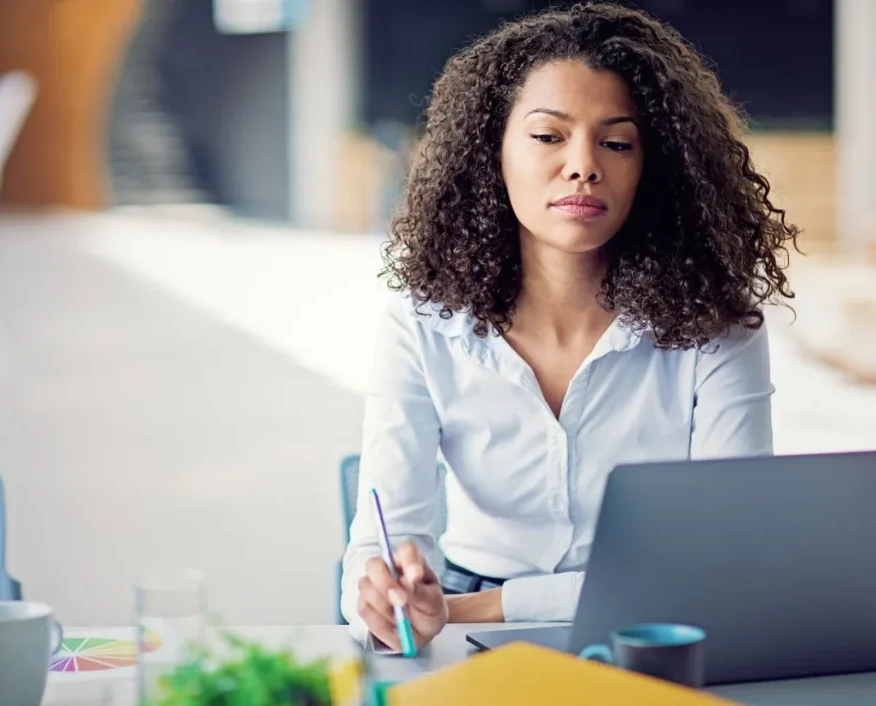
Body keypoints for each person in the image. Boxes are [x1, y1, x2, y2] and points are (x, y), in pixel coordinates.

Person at [340, 1, 799, 652]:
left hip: (655, 622)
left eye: (617, 142)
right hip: (463, 613)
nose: (584, 165)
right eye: (549, 136)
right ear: (489, 151)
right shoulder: (424, 324)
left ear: (655, 168)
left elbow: (730, 555)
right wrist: (386, 599)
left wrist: (482, 608)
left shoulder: (716, 323)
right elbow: (378, 548)